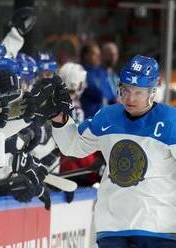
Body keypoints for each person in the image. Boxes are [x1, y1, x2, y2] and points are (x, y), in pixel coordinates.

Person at [50, 55, 176, 247]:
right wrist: (59, 119)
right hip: (112, 226)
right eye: (125, 89)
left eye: (138, 92)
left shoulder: (170, 121)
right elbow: (73, 146)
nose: (130, 97)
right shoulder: (107, 116)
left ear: (152, 92)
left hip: (158, 228)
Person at [80, 43, 117, 118]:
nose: (98, 57)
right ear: (86, 56)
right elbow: (97, 93)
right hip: (88, 118)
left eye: (99, 54)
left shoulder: (101, 72)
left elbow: (110, 94)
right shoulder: (81, 72)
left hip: (103, 118)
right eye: (95, 54)